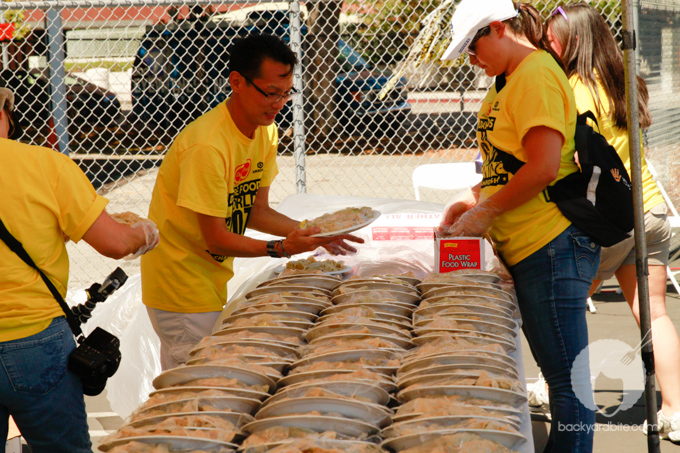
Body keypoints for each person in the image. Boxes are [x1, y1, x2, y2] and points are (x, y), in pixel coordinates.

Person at [140, 33, 363, 371]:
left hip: (210, 276)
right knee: (198, 385)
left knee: (217, 376)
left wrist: (315, 231)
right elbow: (216, 237)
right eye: (271, 93)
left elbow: (256, 211)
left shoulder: (265, 131)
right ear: (237, 82)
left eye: (287, 94)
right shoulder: (207, 147)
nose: (278, 104)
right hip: (180, 286)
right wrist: (283, 248)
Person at [437, 0, 600, 451]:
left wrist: (480, 215)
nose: (471, 59)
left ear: (496, 29)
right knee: (561, 377)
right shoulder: (505, 80)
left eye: (472, 47)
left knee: (567, 383)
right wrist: (469, 202)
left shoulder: (535, 75)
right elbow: (507, 166)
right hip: (528, 245)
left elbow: (545, 167)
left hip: (549, 243)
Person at [546, 3, 680, 441]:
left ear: (574, 40)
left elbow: (572, 159)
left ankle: (563, 394)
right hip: (650, 210)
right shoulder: (624, 80)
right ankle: (676, 410)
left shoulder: (575, 88)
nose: (548, 45)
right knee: (655, 312)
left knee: (559, 313)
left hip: (608, 221)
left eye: (553, 38)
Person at [0, 93, 159, 452]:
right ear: (4, 114)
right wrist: (144, 233)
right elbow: (116, 243)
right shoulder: (45, 165)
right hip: (36, 340)